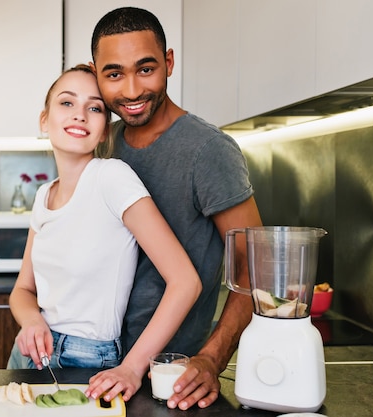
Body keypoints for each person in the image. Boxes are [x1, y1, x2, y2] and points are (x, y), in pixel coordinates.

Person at [85, 7, 263, 410]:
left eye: (145, 69)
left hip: (172, 382)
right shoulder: (102, 144)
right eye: (114, 74)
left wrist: (211, 359)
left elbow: (255, 269)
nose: (131, 90)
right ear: (96, 73)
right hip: (97, 368)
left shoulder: (208, 151)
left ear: (168, 62)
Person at [7, 64, 202, 396]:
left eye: (94, 107)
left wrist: (132, 367)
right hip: (28, 354)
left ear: (104, 130)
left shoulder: (111, 178)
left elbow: (186, 282)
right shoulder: (43, 195)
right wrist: (31, 321)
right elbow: (22, 291)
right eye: (67, 103)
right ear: (44, 120)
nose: (80, 114)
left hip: (87, 362)